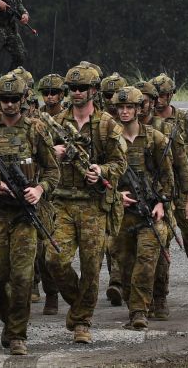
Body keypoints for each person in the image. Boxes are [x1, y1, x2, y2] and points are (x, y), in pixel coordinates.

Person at [0, 72, 59, 356]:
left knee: (22, 277)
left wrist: (40, 189)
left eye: (13, 99)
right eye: (3, 99)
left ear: (24, 99)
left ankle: (18, 334)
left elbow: (52, 170)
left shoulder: (35, 129)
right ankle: (9, 321)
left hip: (25, 214)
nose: (8, 104)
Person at [47, 63, 125, 343]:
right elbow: (38, 159)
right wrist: (52, 153)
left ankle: (82, 322)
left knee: (92, 267)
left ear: (93, 90)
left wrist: (101, 171)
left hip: (93, 204)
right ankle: (79, 305)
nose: (77, 93)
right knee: (54, 259)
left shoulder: (107, 124)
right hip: (62, 202)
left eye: (82, 88)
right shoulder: (53, 122)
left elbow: (119, 163)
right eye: (72, 89)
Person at [109, 87, 171, 330]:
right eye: (121, 108)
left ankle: (139, 312)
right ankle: (132, 304)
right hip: (121, 213)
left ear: (138, 109)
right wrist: (115, 196)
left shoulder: (155, 138)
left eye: (129, 108)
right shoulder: (109, 140)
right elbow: (97, 174)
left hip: (149, 211)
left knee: (146, 263)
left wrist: (161, 203)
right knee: (124, 264)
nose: (124, 112)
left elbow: (168, 176)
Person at [148, 73, 188, 316]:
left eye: (163, 95)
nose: (159, 100)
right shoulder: (142, 122)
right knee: (159, 239)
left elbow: (184, 159)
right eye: (155, 96)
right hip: (154, 190)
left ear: (171, 96)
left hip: (176, 184)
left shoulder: (183, 120)